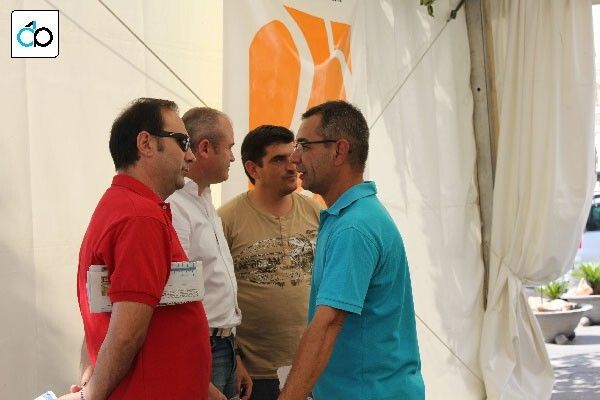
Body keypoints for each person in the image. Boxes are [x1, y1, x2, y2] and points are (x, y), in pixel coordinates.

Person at [59, 98, 211, 400]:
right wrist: (90, 396)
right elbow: (126, 334)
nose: (191, 156)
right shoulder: (141, 216)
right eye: (183, 142)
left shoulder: (127, 206)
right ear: (146, 144)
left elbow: (113, 312)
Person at [279, 100, 424, 400]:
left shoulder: (353, 227)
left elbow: (328, 324)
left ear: (339, 151)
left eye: (304, 145)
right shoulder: (349, 216)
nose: (294, 158)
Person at [218, 125, 321, 400]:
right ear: (253, 168)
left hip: (313, 369)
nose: (292, 165)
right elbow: (215, 298)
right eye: (278, 159)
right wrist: (234, 358)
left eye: (293, 154)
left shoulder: (316, 212)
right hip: (253, 377)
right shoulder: (226, 220)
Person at [167, 107, 252, 400]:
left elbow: (215, 286)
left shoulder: (203, 198)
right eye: (229, 147)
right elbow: (174, 299)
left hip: (222, 345)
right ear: (204, 148)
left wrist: (234, 353)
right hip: (200, 347)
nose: (232, 157)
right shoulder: (176, 205)